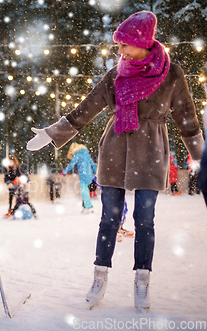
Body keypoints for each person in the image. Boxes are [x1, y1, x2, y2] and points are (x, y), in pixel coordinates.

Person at [26, 11, 204, 311]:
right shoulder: (116, 75)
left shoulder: (172, 74)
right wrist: (52, 132)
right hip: (115, 151)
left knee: (144, 220)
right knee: (109, 218)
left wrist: (204, 157)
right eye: (118, 46)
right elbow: (87, 109)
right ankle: (100, 277)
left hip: (151, 153)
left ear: (142, 42)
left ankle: (142, 280)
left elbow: (187, 119)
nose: (119, 52)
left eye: (124, 45)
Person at [62, 143, 98, 214]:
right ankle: (85, 207)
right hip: (89, 174)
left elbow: (72, 164)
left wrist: (64, 171)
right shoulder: (86, 154)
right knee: (86, 191)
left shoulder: (77, 154)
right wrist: (97, 172)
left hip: (83, 174)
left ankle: (89, 207)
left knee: (84, 191)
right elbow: (93, 164)